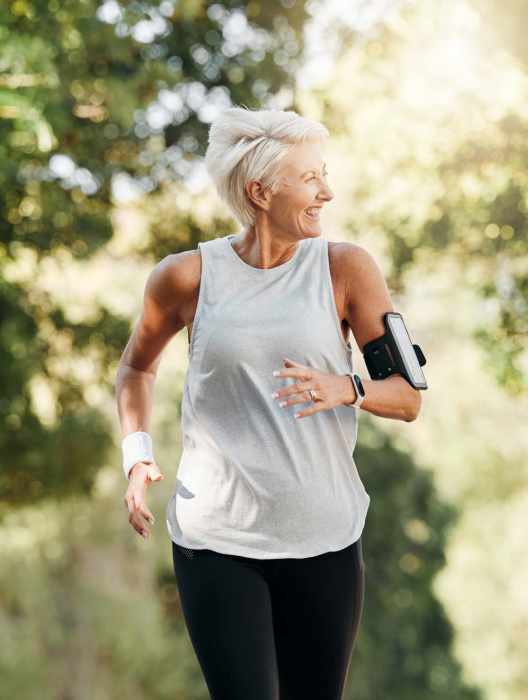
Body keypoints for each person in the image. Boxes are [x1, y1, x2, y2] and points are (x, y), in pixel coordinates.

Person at [115, 107, 423, 700]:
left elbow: (407, 399)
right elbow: (136, 367)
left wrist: (349, 387)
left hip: (325, 539)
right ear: (260, 191)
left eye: (324, 175)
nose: (327, 192)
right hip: (217, 542)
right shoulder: (185, 278)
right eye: (310, 179)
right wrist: (137, 453)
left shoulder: (346, 269)